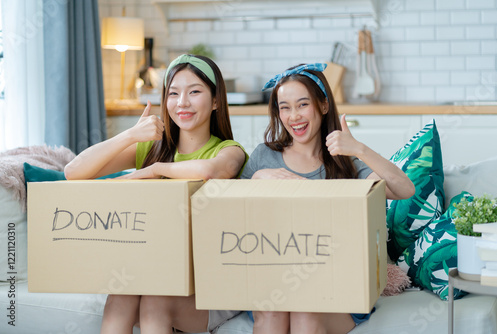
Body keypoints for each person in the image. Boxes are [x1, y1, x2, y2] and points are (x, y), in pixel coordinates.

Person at [64, 54, 247, 334]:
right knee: (122, 292)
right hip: (156, 272)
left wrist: (153, 171)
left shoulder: (229, 150)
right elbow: (73, 171)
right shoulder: (150, 148)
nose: (182, 102)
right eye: (173, 93)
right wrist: (130, 135)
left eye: (194, 91)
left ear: (216, 101)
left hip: (209, 287)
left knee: (154, 297)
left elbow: (211, 171)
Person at [240, 63, 415, 334]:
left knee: (305, 314)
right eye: (284, 107)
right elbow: (234, 213)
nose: (293, 116)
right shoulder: (264, 156)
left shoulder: (345, 163)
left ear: (322, 106)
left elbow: (404, 189)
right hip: (276, 277)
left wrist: (359, 148)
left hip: (335, 281)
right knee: (271, 313)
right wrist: (256, 178)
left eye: (302, 104)